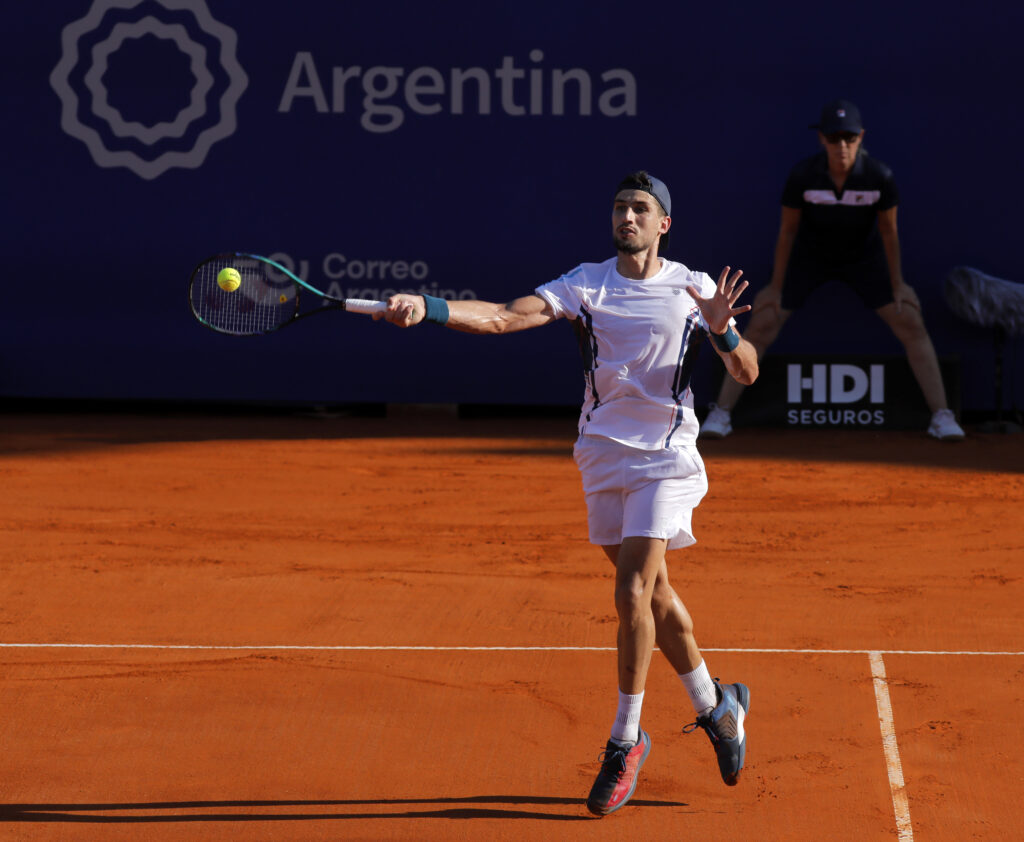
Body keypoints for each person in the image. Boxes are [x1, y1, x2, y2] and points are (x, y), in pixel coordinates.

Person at [376, 171, 758, 816]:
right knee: (656, 595)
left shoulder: (693, 288)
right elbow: (502, 317)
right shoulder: (586, 284)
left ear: (664, 223)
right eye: (619, 207)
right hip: (602, 458)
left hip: (666, 458)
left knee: (633, 591)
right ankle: (716, 705)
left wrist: (720, 330)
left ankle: (625, 741)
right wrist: (431, 305)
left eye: (641, 209)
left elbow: (745, 368)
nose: (627, 217)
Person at [700, 99, 965, 441]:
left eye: (849, 138)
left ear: (861, 138)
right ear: (822, 140)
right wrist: (776, 288)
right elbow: (788, 232)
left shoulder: (879, 177)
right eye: (834, 137)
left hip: (863, 260)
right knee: (764, 320)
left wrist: (898, 284)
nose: (842, 145)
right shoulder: (803, 176)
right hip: (809, 259)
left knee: (909, 319)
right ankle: (721, 414)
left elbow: (889, 232)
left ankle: (942, 417)